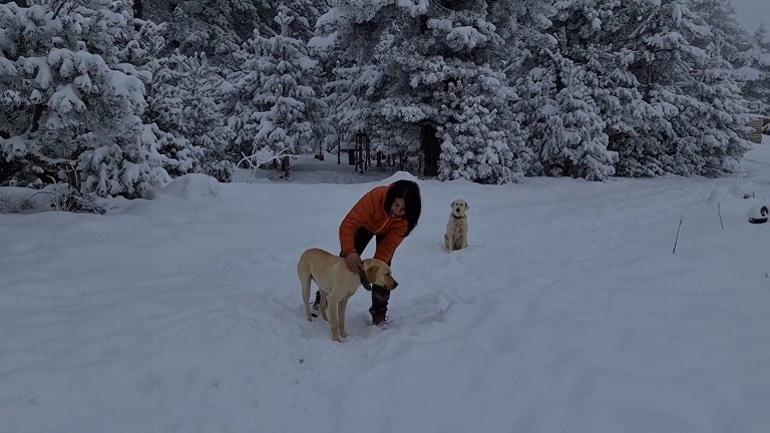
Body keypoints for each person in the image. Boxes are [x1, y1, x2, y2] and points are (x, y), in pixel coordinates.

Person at [312, 179, 421, 328]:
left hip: (388, 233)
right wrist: (350, 252)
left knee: (384, 272)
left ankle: (379, 313)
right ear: (391, 198)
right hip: (365, 226)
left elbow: (388, 247)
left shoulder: (405, 221)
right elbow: (348, 224)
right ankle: (322, 299)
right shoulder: (376, 196)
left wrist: (374, 272)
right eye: (396, 205)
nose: (397, 211)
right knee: (344, 264)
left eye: (403, 210)